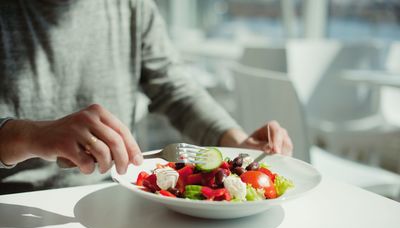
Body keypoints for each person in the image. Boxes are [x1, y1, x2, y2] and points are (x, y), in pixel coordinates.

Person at [0, 0, 292, 193]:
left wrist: (234, 142)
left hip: (113, 192)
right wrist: (28, 135)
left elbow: (173, 88)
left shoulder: (132, 6)